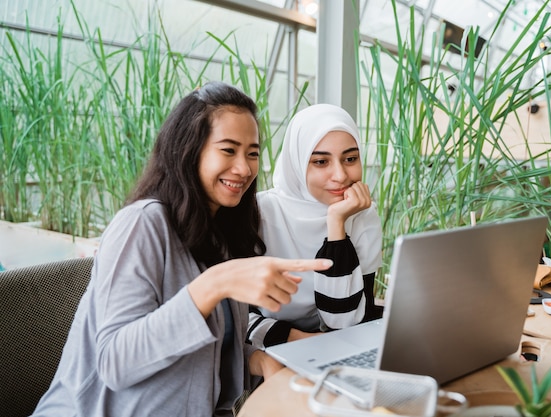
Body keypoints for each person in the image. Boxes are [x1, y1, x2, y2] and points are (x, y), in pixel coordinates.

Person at [31, 82, 331, 417]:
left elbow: (200, 349)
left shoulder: (219, 233)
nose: (244, 168)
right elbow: (115, 362)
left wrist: (257, 359)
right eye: (228, 150)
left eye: (253, 153)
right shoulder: (142, 224)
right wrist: (214, 284)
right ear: (189, 150)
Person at [247, 103, 383, 349]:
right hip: (267, 351)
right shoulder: (259, 213)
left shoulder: (362, 214)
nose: (340, 175)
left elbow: (345, 321)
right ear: (297, 164)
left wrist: (336, 224)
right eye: (321, 162)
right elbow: (236, 319)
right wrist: (304, 341)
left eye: (350, 158)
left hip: (338, 347)